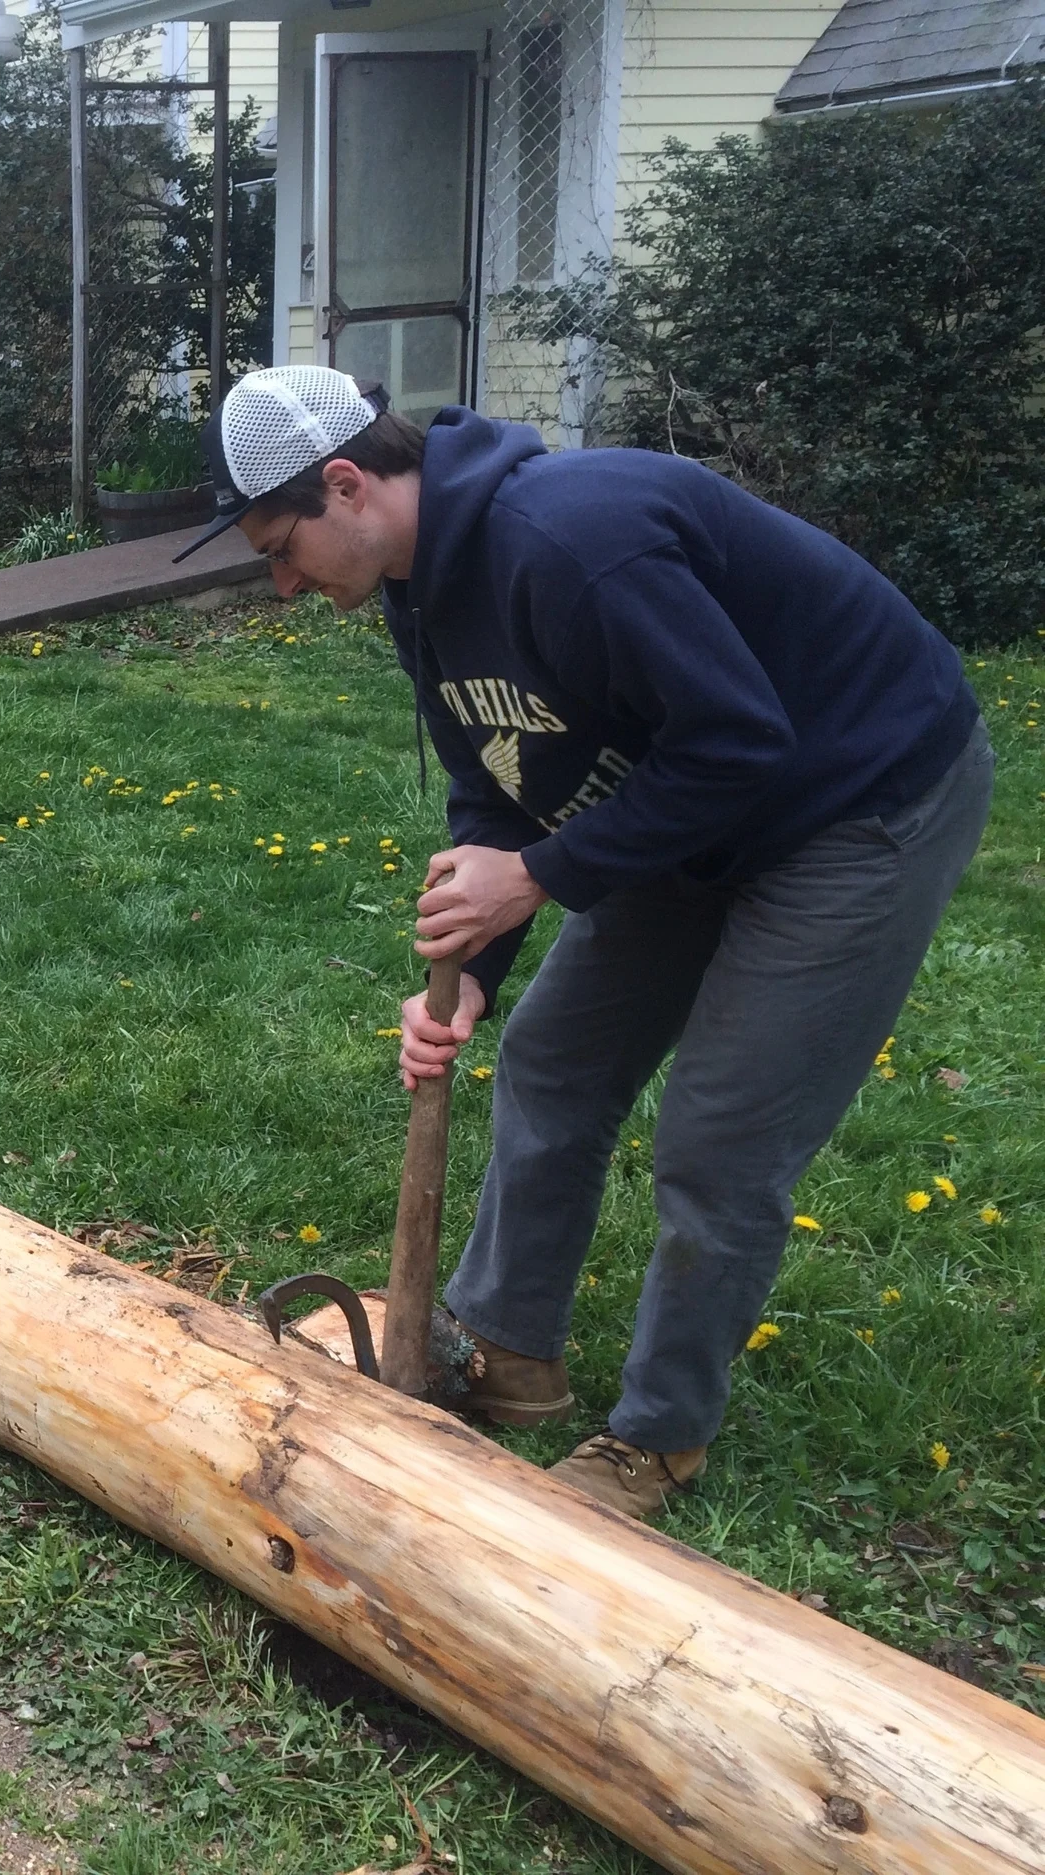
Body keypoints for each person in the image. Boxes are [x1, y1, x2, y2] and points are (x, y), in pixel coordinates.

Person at [206, 364, 988, 1521]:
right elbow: (498, 779)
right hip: (684, 799)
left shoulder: (570, 539)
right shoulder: (419, 592)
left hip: (851, 801)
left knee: (720, 1138)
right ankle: (507, 1349)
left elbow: (738, 745)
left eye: (280, 547)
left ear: (345, 484)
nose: (279, 584)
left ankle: (658, 1439)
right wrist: (469, 972)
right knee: (554, 1058)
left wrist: (535, 878)